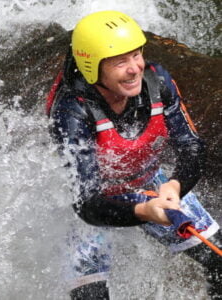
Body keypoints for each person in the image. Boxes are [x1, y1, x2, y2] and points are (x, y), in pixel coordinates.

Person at [47, 10, 222, 299]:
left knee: (218, 262)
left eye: (136, 55)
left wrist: (174, 185)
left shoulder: (158, 82)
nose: (135, 68)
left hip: (151, 183)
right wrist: (144, 212)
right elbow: (87, 204)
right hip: (95, 201)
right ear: (92, 68)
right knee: (91, 296)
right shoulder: (72, 111)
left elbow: (191, 147)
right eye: (120, 62)